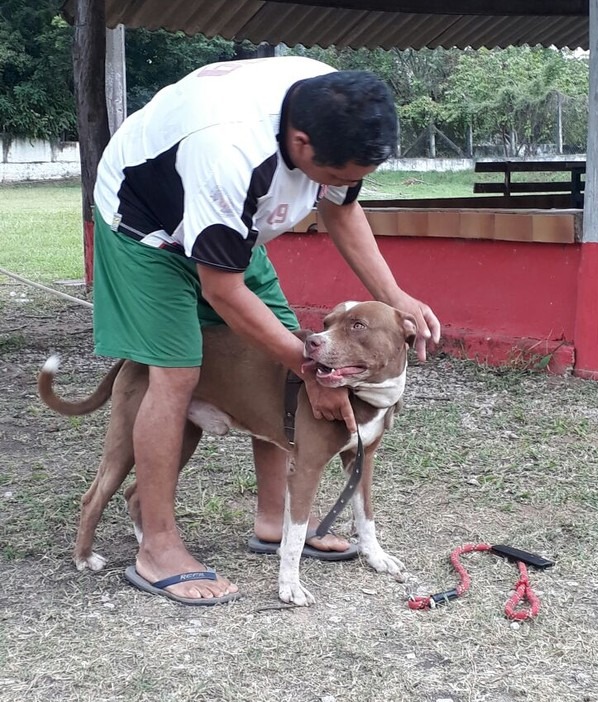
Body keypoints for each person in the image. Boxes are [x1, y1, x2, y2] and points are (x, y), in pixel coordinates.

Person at [92, 55, 441, 605]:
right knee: (178, 371)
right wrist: (314, 369)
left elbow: (342, 211)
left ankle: (275, 518)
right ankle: (157, 543)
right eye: (337, 176)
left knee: (285, 345)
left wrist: (395, 296)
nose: (345, 188)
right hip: (147, 224)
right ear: (300, 144)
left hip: (232, 229)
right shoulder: (230, 153)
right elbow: (222, 289)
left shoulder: (331, 101)